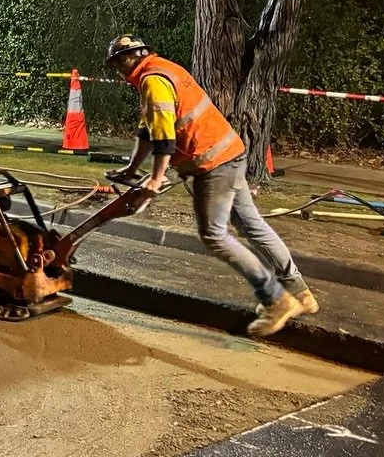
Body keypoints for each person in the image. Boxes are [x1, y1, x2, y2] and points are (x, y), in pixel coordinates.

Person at [104, 35, 318, 337]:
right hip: (229, 152)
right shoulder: (163, 69)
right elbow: (148, 130)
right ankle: (300, 293)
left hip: (212, 164)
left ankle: (276, 298)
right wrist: (132, 168)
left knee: (214, 235)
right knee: (252, 225)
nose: (118, 71)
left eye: (118, 63)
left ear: (127, 59)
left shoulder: (152, 80)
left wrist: (154, 178)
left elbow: (164, 139)